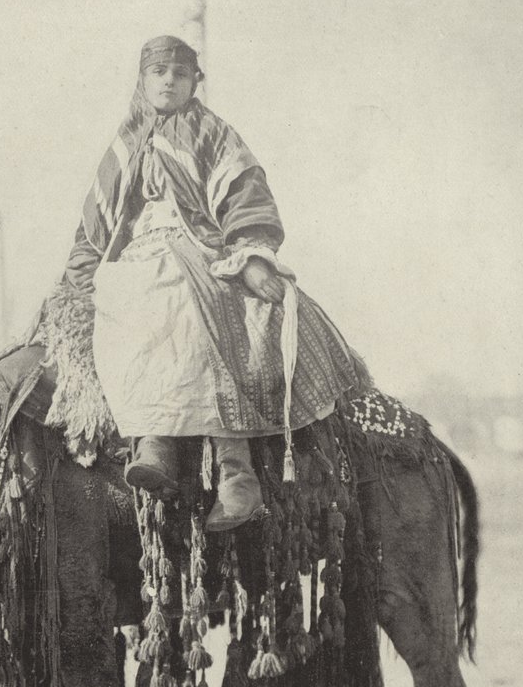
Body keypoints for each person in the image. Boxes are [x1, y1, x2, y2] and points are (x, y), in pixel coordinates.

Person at [59, 35, 369, 531]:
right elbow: (95, 224)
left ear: (193, 83)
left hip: (200, 246)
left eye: (179, 74)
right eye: (158, 72)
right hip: (136, 253)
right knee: (123, 297)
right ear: (141, 81)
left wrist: (251, 258)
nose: (168, 81)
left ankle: (236, 473)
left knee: (197, 305)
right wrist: (74, 287)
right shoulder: (124, 145)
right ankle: (154, 444)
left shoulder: (212, 133)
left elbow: (244, 192)